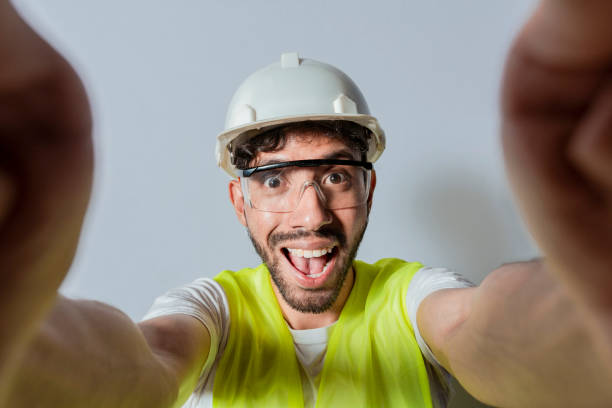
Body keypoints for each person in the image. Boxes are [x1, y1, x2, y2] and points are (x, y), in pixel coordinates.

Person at [1, 0, 612, 407]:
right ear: (239, 201)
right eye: (275, 181)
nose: (312, 215)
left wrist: (593, 301)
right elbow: (138, 362)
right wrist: (14, 323)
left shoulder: (414, 298)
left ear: (368, 190)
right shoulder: (212, 312)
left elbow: (490, 331)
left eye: (337, 177)